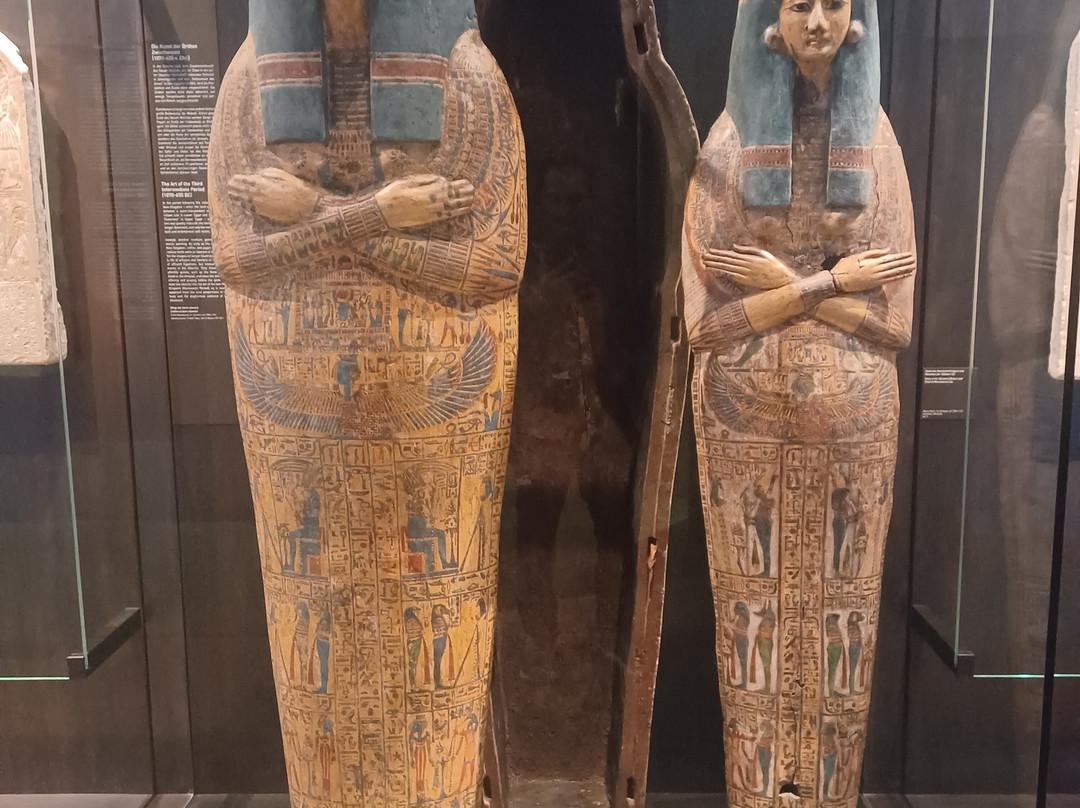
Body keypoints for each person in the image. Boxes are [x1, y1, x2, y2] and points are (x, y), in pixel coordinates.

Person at [683, 0, 916, 799]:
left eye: (833, 3)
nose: (816, 21)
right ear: (768, 20)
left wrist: (780, 289)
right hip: (743, 416)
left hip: (854, 420)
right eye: (797, 4)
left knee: (838, 636)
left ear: (858, 19)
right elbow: (703, 325)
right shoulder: (728, 147)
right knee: (755, 630)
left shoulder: (877, 147)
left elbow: (895, 326)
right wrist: (828, 285)